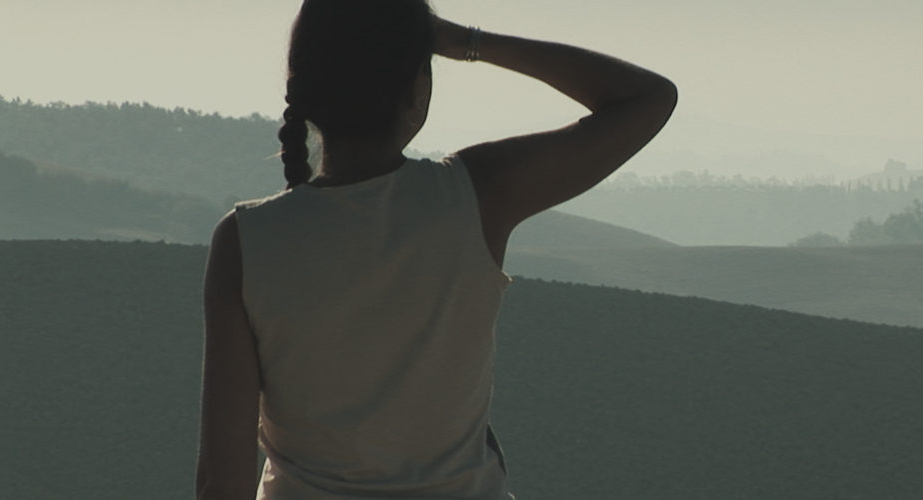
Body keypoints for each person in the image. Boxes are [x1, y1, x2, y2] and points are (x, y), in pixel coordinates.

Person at [194, 1, 676, 498]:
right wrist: (465, 41)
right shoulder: (476, 193)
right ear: (415, 92)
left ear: (304, 93)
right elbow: (648, 98)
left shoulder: (245, 241)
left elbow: (220, 483)